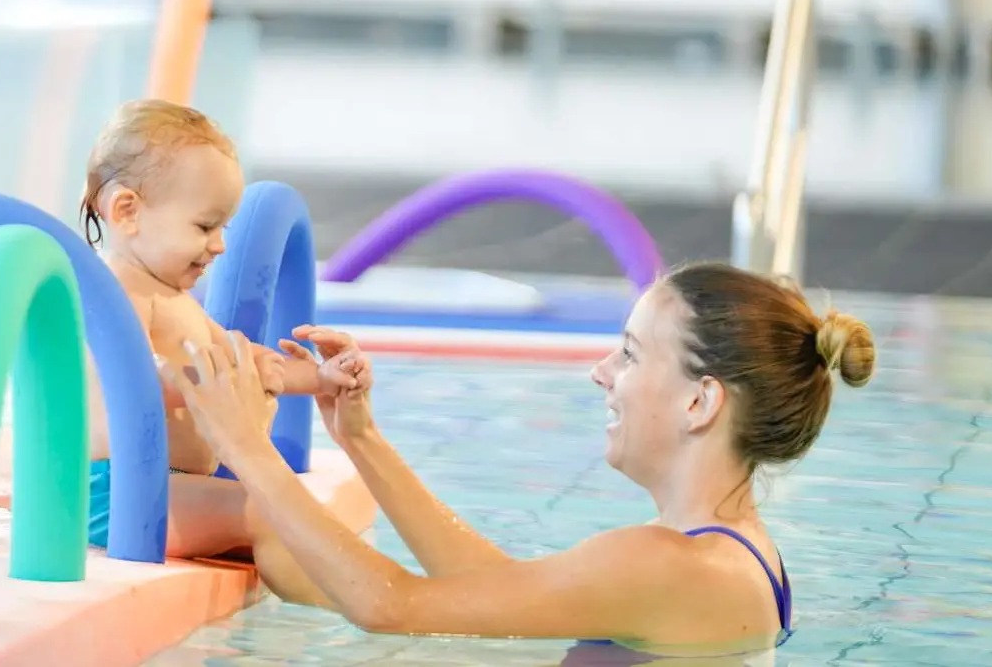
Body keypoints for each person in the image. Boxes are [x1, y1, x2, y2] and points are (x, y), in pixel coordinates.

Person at [161, 262, 875, 653]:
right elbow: (496, 587)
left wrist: (245, 447)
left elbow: (389, 607)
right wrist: (360, 437)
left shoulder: (674, 564)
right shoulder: (723, 558)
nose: (601, 372)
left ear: (700, 403)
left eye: (628, 354)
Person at [78, 99, 367, 583]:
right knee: (271, 512)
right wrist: (207, 381)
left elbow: (250, 362)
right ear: (127, 211)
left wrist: (320, 377)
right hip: (117, 493)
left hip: (169, 485)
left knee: (283, 512)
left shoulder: (176, 301)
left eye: (224, 227)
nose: (220, 245)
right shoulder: (118, 291)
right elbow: (128, 376)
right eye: (204, 226)